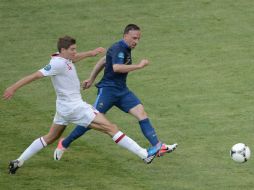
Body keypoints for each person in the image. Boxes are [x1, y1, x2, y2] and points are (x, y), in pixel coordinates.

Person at [3, 36, 164, 175]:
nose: (75, 52)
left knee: (50, 137)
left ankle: (19, 161)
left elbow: (75, 58)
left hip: (63, 109)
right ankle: (144, 154)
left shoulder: (65, 59)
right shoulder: (56, 64)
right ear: (63, 50)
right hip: (76, 107)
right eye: (72, 49)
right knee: (111, 128)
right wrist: (13, 88)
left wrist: (91, 53)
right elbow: (35, 76)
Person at [54, 24, 177, 161]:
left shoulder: (125, 48)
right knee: (90, 121)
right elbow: (117, 67)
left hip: (122, 91)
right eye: (134, 38)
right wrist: (139, 66)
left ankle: (158, 146)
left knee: (141, 113)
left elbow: (103, 60)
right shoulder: (119, 48)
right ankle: (64, 143)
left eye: (138, 39)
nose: (136, 41)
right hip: (108, 91)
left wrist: (91, 78)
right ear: (125, 36)